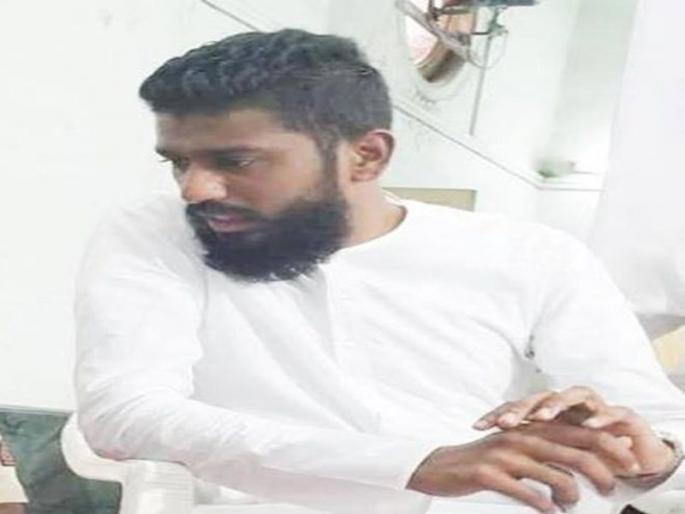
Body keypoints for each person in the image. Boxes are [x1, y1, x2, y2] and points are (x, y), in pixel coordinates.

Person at [74, 29, 685, 514]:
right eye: (178, 162)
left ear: (366, 156)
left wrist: (646, 453)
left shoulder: (532, 256)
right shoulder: (155, 231)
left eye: (236, 161)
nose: (195, 189)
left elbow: (658, 429)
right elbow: (125, 413)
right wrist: (414, 463)